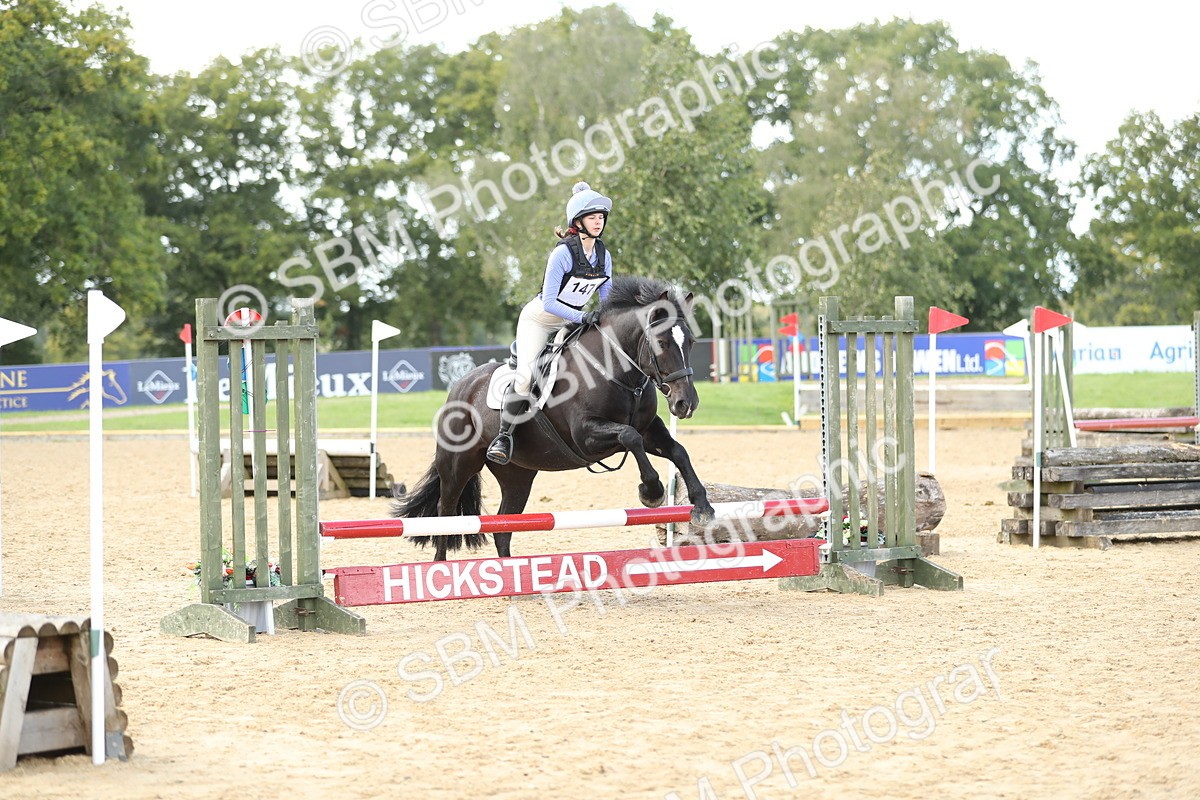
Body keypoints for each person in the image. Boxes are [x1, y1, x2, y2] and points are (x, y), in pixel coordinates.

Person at [485, 181, 614, 465]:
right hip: (540, 320)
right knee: (526, 377)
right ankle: (504, 437)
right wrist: (583, 316)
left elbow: (608, 300)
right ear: (577, 221)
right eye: (592, 217)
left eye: (601, 217)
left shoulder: (604, 256)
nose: (598, 221)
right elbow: (549, 303)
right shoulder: (562, 254)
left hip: (570, 323)